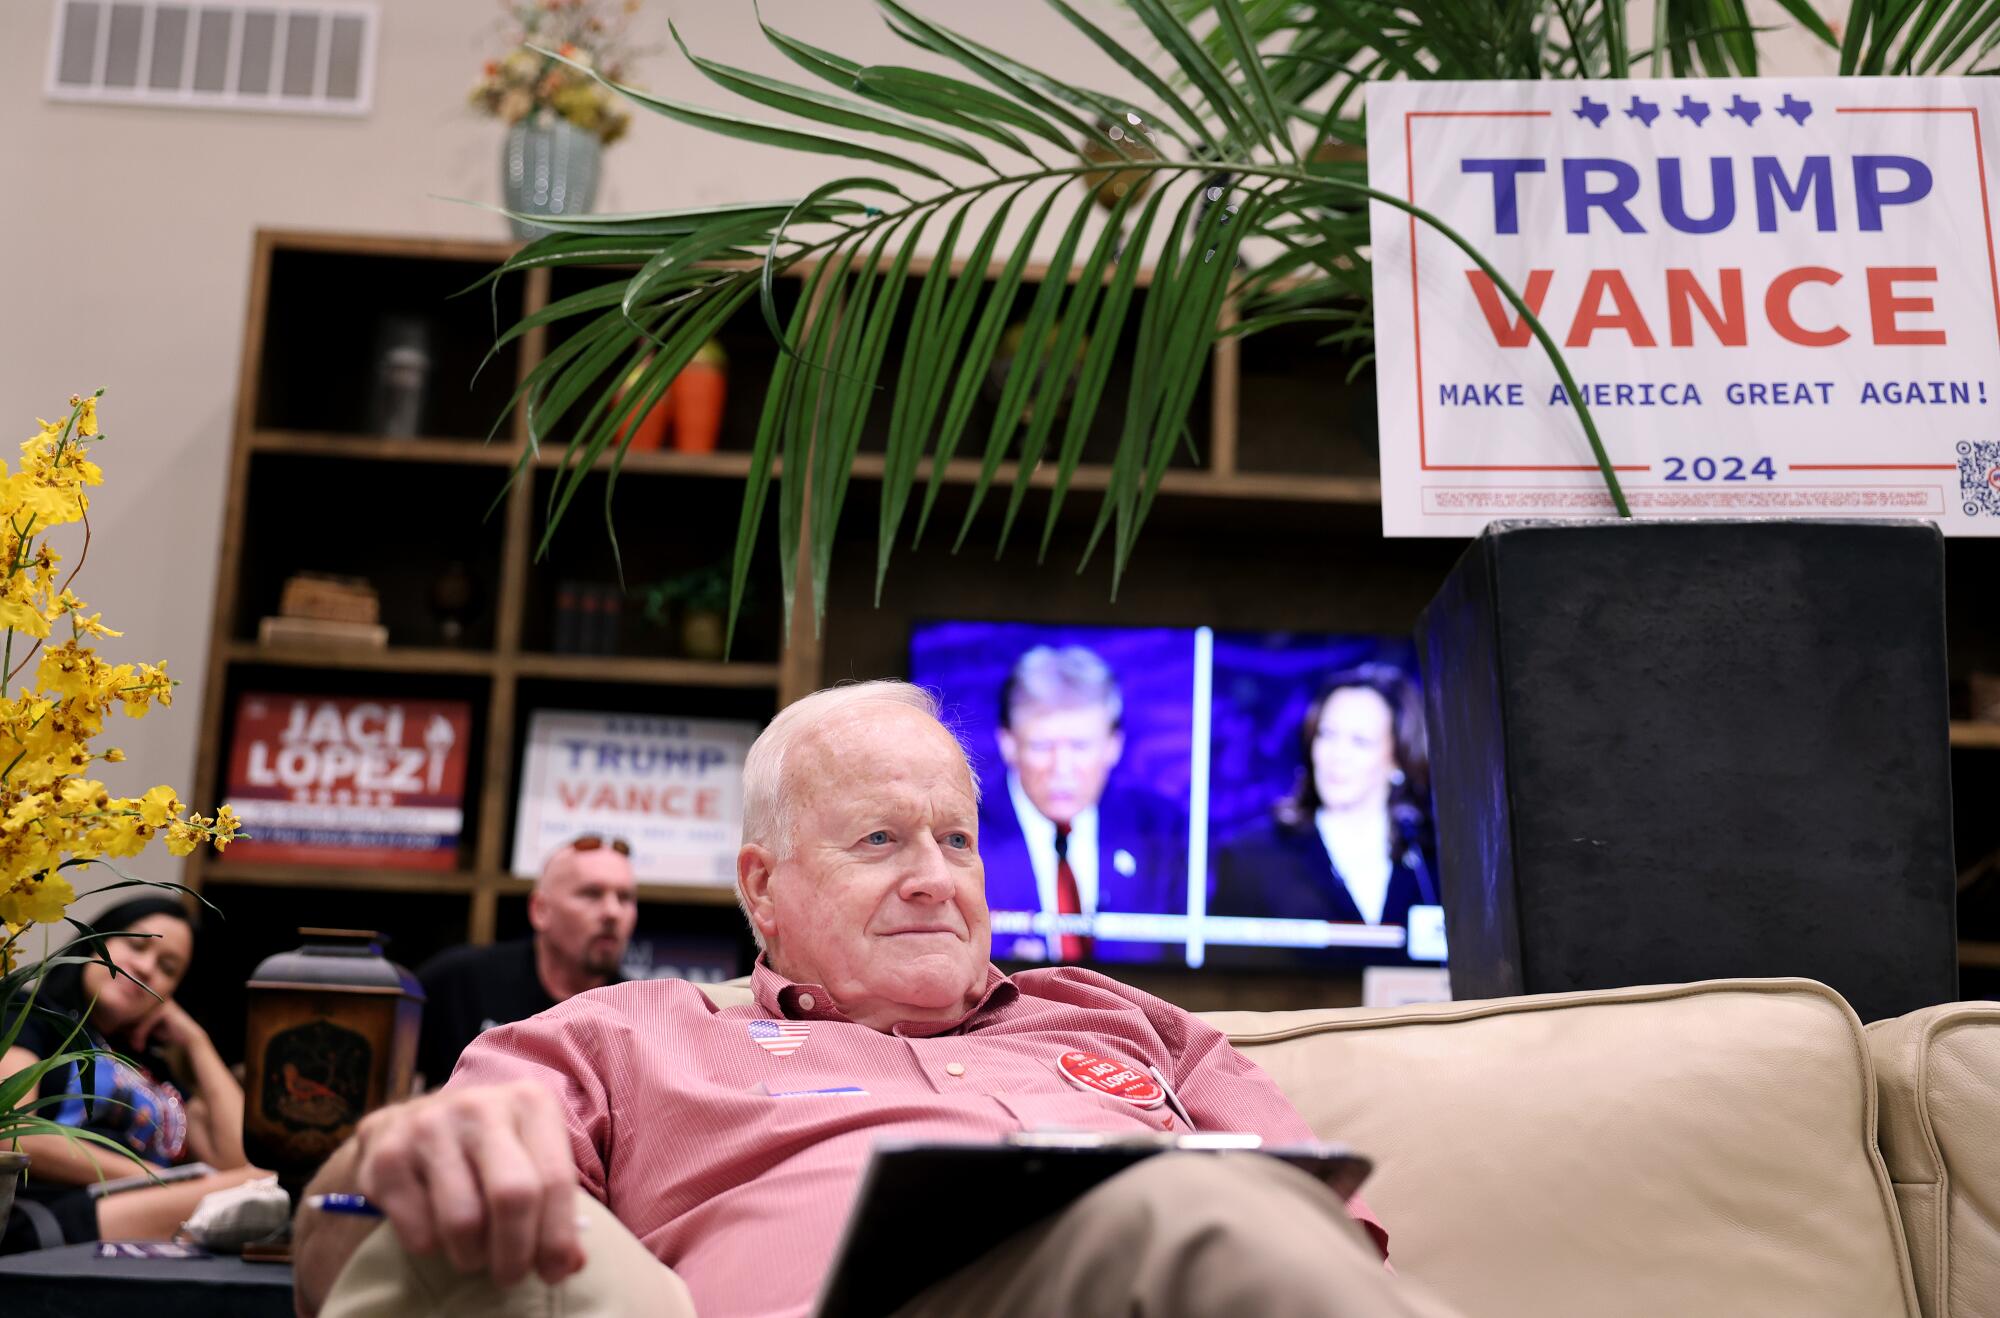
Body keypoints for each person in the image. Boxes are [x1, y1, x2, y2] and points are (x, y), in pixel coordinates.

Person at [294, 682, 1462, 1318]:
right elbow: (370, 1218)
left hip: (1129, 1288)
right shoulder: (620, 1035)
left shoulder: (1132, 1023)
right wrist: (389, 1150)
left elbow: (1329, 1243)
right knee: (1187, 1213)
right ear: (764, 888)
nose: (933, 875)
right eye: (877, 838)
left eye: (957, 837)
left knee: (1220, 1218)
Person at [1, 896, 269, 1253]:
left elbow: (242, 1160)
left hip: (138, 1222)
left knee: (267, 1185)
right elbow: (11, 1134)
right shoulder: (32, 1014)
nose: (146, 968)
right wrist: (156, 1179)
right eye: (137, 945)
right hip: (54, 1213)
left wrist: (196, 1042)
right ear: (95, 941)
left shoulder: (157, 1073)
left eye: (168, 969)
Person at [976, 645, 1185, 963]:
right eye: (1042, 746)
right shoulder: (965, 832)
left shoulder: (1162, 831)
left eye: (1080, 746)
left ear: (1114, 746)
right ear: (1008, 743)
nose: (1061, 768)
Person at [1211, 666, 1439, 939]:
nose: (1337, 755)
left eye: (1360, 741)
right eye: (1327, 735)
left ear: (1399, 758)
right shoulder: (1251, 855)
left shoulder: (1434, 859)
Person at [414, 835, 637, 1088]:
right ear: (540, 910)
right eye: (591, 894)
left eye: (625, 898)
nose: (613, 912)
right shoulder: (459, 981)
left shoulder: (638, 1016)